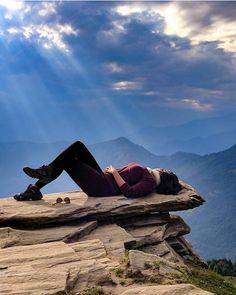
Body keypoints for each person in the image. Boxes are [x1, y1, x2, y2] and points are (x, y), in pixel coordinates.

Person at [13, 140, 182, 201]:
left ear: (164, 175)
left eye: (165, 170)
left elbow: (129, 192)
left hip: (100, 186)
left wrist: (115, 173)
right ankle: (39, 183)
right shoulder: (149, 176)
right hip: (103, 178)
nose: (162, 168)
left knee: (69, 161)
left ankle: (39, 183)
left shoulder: (150, 182)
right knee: (78, 146)